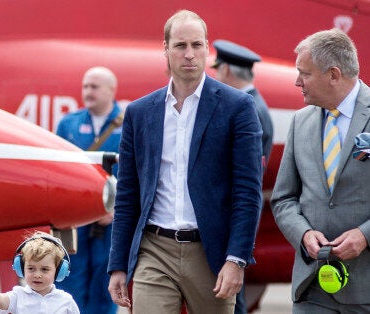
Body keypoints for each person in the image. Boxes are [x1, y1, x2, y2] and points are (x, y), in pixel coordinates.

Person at [107, 10, 263, 313]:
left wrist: (236, 259)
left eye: (197, 45)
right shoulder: (140, 113)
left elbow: (247, 192)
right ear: (165, 50)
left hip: (210, 252)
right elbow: (127, 194)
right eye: (180, 46)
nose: (189, 54)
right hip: (155, 250)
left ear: (207, 49)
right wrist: (118, 265)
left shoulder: (238, 107)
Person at [271, 29, 370, 312]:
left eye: (305, 73)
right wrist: (303, 234)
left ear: (334, 75)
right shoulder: (299, 122)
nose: (296, 81)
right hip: (311, 287)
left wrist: (365, 235)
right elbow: (284, 199)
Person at [212, 39, 274, 314]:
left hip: (232, 215)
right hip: (234, 214)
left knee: (231, 294)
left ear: (225, 69)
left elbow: (247, 177)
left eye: (217, 70)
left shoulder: (248, 109)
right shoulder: (254, 105)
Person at [55, 66, 120, 314]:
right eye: (85, 86)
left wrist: (115, 208)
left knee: (106, 281)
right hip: (75, 221)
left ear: (111, 90)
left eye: (94, 86)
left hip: (111, 221)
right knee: (71, 277)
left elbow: (138, 172)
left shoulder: (129, 125)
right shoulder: (68, 124)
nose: (88, 92)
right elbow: (57, 171)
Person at [0, 231, 80, 314]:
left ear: (58, 271)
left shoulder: (66, 301)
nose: (37, 275)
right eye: (31, 269)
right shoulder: (18, 295)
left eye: (44, 269)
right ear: (21, 268)